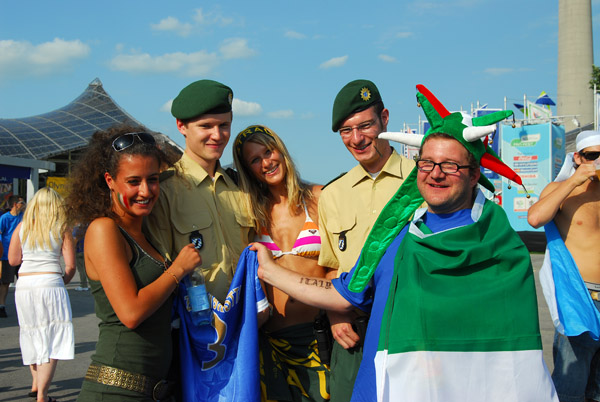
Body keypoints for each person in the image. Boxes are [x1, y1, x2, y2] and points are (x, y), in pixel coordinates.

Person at [253, 85, 558, 401]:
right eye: (427, 163)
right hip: (394, 373)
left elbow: (514, 343)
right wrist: (271, 271)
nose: (435, 174)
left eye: (450, 165)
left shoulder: (501, 245)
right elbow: (344, 292)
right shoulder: (396, 237)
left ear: (474, 173)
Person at [63, 126, 201, 401]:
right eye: (133, 181)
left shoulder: (147, 232)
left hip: (152, 390)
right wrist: (178, 269)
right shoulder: (104, 230)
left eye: (153, 179)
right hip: (114, 389)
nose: (146, 191)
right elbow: (131, 312)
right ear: (110, 180)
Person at [317, 79, 416, 401]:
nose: (356, 139)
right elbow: (331, 266)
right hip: (354, 335)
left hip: (412, 330)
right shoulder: (332, 195)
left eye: (365, 126)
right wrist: (335, 314)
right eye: (346, 131)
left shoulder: (424, 179)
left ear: (385, 118)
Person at [232, 124, 329, 401]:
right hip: (271, 343)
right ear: (248, 170)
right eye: (254, 160)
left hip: (318, 339)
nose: (266, 162)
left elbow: (337, 264)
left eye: (268, 151)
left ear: (280, 150)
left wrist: (338, 316)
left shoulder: (319, 198)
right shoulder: (250, 214)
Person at [145, 79, 253, 304]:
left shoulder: (241, 187)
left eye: (224, 126)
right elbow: (159, 271)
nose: (217, 135)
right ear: (181, 126)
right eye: (206, 126)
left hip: (248, 320)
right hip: (198, 326)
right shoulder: (164, 192)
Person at [528, 130, 600, 402]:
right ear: (578, 157)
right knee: (571, 387)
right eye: (593, 156)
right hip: (580, 299)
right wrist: (574, 180)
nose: (598, 162)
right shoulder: (562, 191)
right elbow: (535, 218)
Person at [8, 187, 75, 402]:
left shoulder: (22, 227)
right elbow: (71, 266)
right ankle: (43, 396)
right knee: (53, 337)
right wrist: (62, 280)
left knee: (31, 332)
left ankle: (36, 382)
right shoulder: (62, 227)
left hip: (25, 284)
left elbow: (13, 260)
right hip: (50, 282)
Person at [0, 194, 25, 317]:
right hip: (6, 256)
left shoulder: (23, 218)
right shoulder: (4, 218)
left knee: (23, 282)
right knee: (5, 283)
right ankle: (2, 306)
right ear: (15, 204)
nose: (24, 205)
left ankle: (25, 307)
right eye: (22, 202)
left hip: (22, 256)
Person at [73, 225, 89, 291]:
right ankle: (85, 284)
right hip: (85, 250)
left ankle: (84, 285)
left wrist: (73, 248)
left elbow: (75, 240)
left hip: (79, 251)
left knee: (81, 270)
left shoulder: (76, 229)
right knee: (85, 269)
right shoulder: (86, 228)